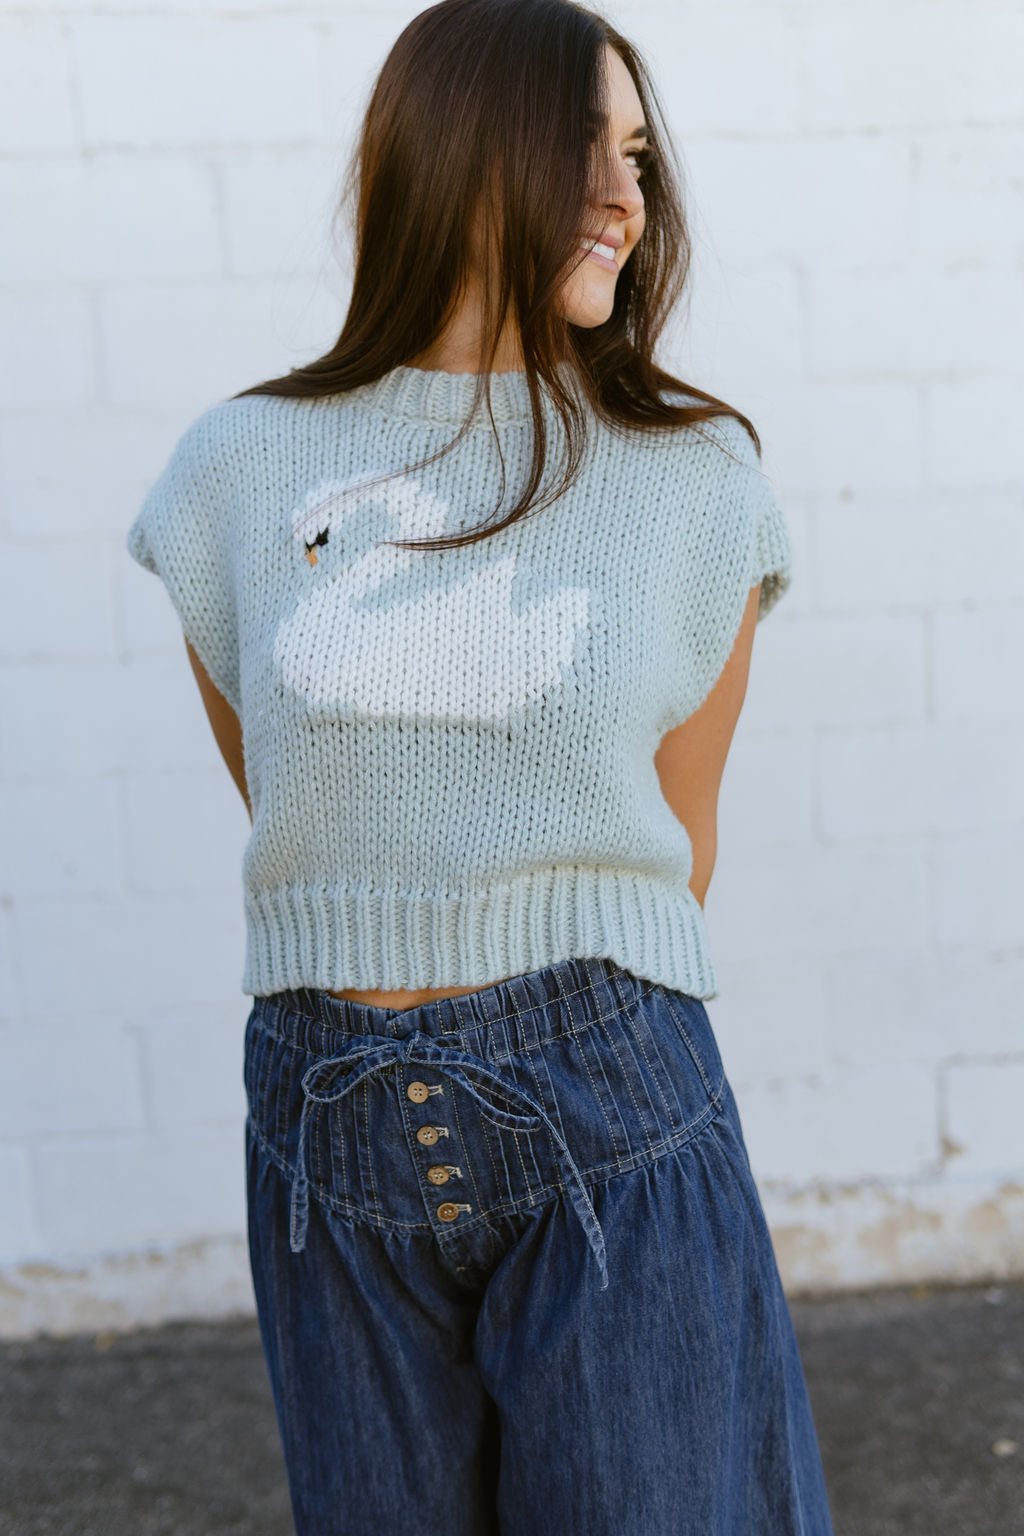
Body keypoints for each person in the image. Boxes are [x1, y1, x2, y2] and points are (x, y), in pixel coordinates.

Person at [124, 0, 835, 1530]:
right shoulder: (238, 471)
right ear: (458, 154)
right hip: (324, 1118)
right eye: (585, 148)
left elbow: (676, 851)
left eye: (641, 156)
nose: (629, 199)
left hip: (611, 1098)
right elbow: (307, 813)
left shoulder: (694, 479)